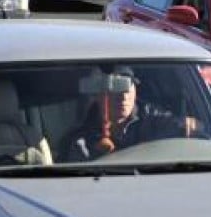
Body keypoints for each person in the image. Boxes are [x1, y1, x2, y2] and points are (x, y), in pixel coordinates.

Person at [65, 68, 201, 161]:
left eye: (128, 88)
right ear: (99, 95)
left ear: (135, 91)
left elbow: (190, 130)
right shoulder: (81, 137)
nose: (123, 97)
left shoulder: (153, 120)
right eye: (117, 88)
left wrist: (189, 126)